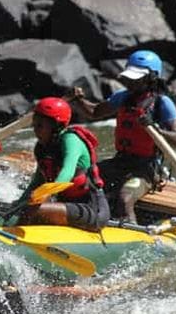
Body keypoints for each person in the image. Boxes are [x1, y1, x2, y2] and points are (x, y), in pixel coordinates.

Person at [69, 49, 176, 223]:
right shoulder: (123, 97)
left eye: (135, 78)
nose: (130, 81)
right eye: (129, 77)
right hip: (121, 162)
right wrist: (77, 100)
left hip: (146, 170)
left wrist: (155, 129)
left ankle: (132, 236)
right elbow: (94, 112)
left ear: (151, 77)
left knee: (124, 199)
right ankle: (76, 216)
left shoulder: (162, 103)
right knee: (79, 179)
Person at [9, 97, 110, 230]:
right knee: (25, 208)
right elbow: (37, 181)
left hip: (92, 209)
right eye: (34, 124)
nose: (35, 130)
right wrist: (20, 203)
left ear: (56, 125)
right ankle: (12, 232)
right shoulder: (41, 148)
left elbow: (67, 171)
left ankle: (12, 239)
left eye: (40, 125)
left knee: (32, 210)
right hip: (66, 205)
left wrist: (47, 193)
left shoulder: (71, 140)